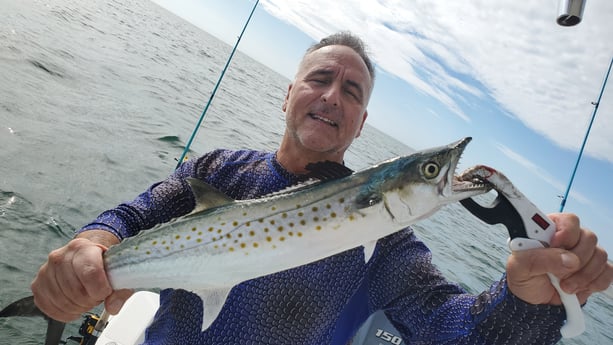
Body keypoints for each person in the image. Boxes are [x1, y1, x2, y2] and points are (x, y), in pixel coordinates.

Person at [31, 32, 613, 345]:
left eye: (353, 92)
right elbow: (138, 214)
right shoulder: (222, 168)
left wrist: (526, 302)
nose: (334, 96)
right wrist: (92, 242)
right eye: (320, 79)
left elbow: (451, 328)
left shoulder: (387, 243)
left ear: (360, 124)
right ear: (289, 96)